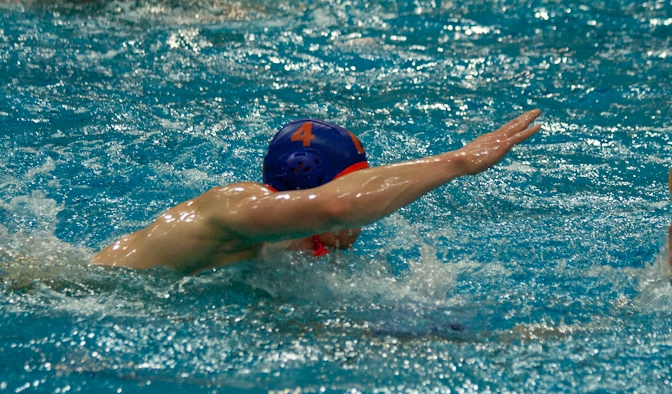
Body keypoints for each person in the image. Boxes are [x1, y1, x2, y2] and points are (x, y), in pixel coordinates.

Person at [92, 110, 542, 274]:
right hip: (74, 298)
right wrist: (458, 162)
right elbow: (338, 205)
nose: (367, 217)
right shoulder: (235, 206)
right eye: (365, 186)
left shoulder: (278, 243)